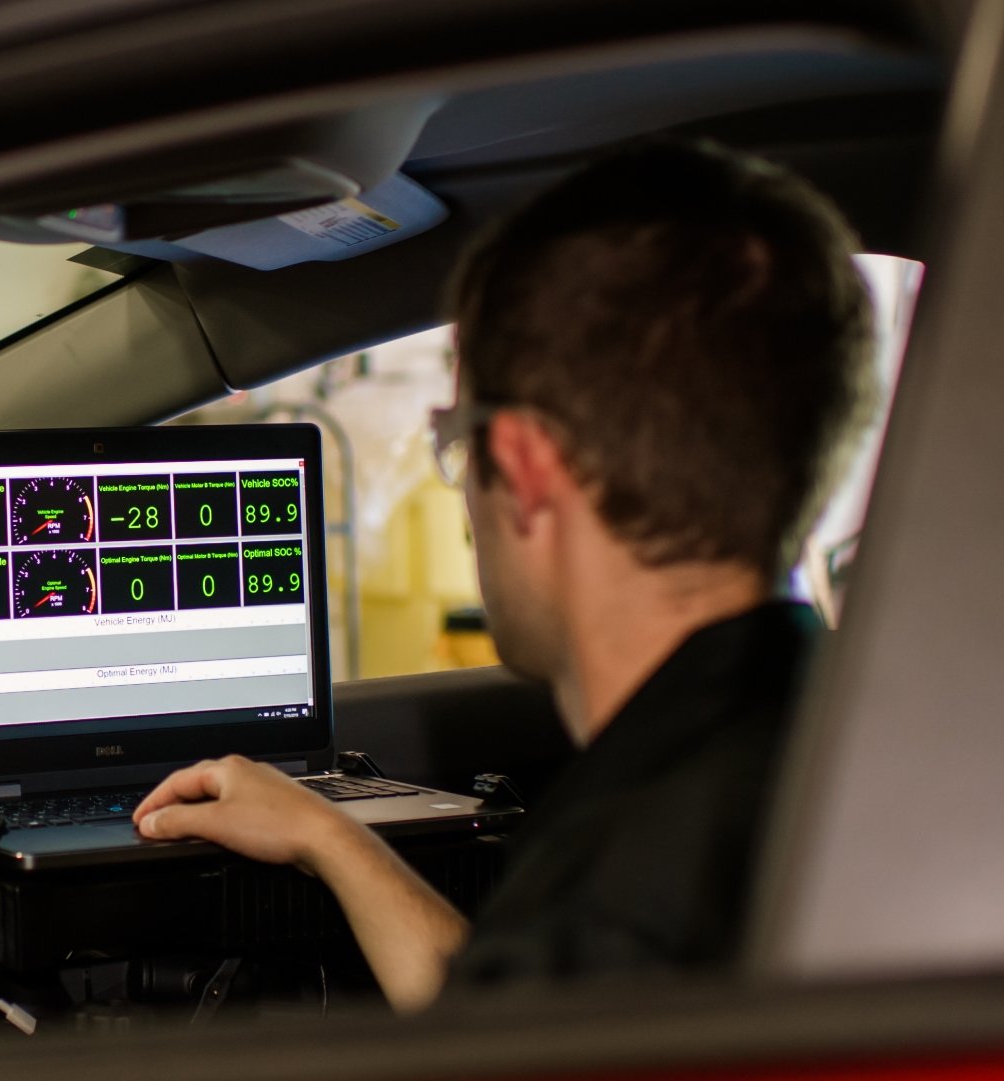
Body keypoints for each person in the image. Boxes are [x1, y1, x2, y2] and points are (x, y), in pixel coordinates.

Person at [132, 139, 875, 1010]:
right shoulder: (827, 742)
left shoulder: (618, 896)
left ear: (521, 471)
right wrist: (331, 838)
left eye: (458, 447)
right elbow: (495, 1018)